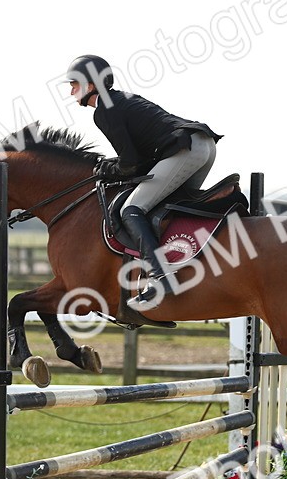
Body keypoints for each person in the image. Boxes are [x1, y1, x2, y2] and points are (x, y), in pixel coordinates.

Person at [66, 54, 222, 310]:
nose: (71, 91)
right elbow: (138, 158)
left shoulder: (104, 111)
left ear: (91, 86)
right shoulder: (119, 99)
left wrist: (109, 169)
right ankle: (182, 264)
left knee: (131, 209)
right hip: (203, 145)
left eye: (75, 84)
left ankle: (161, 278)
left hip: (186, 149)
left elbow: (130, 164)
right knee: (168, 207)